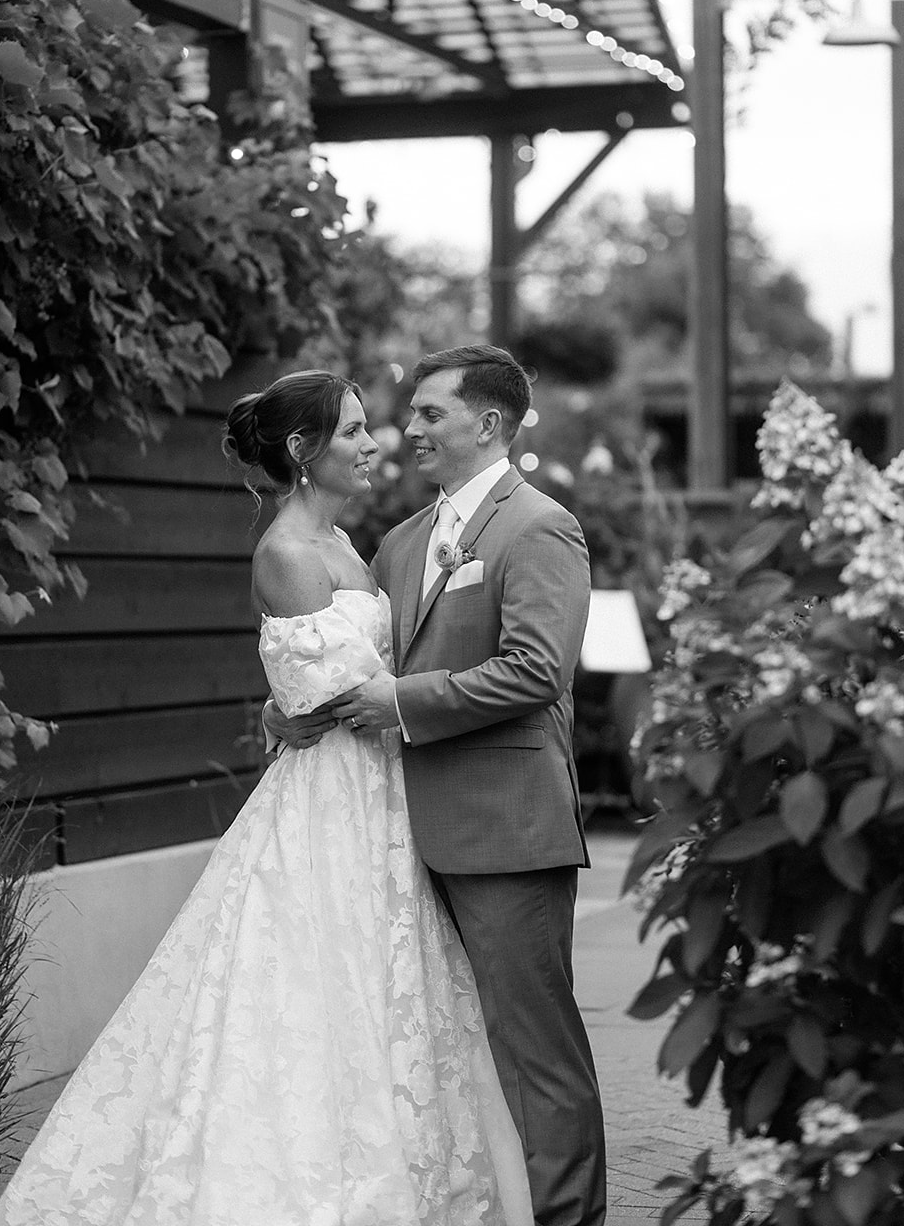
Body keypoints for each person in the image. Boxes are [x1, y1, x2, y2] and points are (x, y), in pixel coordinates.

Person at [0, 370, 533, 1226]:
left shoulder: (356, 547)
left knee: (389, 986)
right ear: (301, 450)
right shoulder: (286, 553)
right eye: (351, 431)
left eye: (365, 427)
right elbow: (333, 700)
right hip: (334, 803)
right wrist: (302, 711)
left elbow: (325, 691)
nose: (370, 444)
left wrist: (304, 707)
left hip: (379, 790)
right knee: (322, 981)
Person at [265, 346, 607, 1226]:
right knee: (443, 1048)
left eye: (427, 414)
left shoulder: (539, 526)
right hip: (394, 837)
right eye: (406, 414)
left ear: (486, 424)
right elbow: (346, 661)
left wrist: (398, 702)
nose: (405, 429)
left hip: (504, 827)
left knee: (534, 1050)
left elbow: (536, 671)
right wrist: (285, 714)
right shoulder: (398, 541)